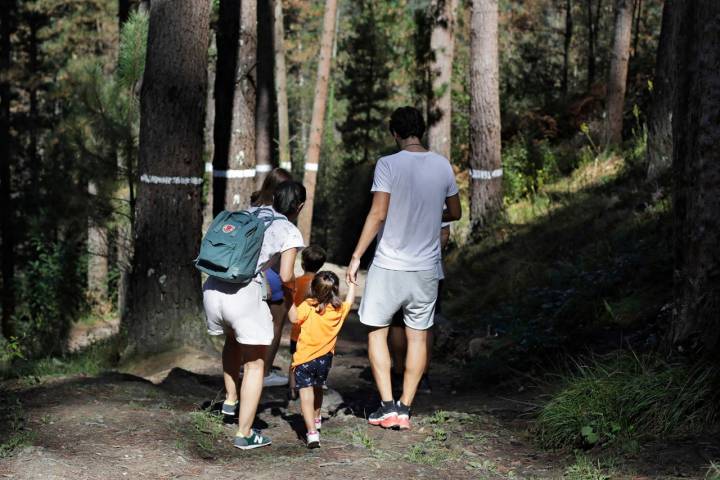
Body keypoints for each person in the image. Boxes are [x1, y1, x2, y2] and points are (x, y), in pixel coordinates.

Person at [346, 106, 461, 431]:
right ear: (421, 131)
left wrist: (356, 256)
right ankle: (406, 408)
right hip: (426, 269)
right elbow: (455, 211)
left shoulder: (388, 164)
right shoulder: (442, 165)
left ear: (394, 133)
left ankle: (386, 406)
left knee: (376, 333)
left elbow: (377, 213)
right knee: (418, 338)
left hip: (388, 265)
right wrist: (429, 216)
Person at [203, 181, 306, 450]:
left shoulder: (250, 212)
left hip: (213, 288)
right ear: (300, 207)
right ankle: (245, 433)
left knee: (232, 342)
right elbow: (285, 275)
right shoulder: (289, 230)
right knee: (255, 365)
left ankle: (230, 400)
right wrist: (294, 291)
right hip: (243, 295)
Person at [289, 271, 356, 448]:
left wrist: (289, 298)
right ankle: (317, 419)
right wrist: (353, 285)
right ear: (335, 290)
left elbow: (293, 318)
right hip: (324, 361)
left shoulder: (308, 306)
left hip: (304, 359)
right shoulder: (338, 309)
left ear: (313, 288)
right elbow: (350, 302)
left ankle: (312, 433)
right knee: (318, 388)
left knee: (306, 394)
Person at [389, 223, 450, 395]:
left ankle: (399, 374)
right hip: (430, 268)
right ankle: (422, 377)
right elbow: (445, 232)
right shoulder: (437, 195)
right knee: (425, 323)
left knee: (397, 322)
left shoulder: (396, 195)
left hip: (397, 265)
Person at [252, 168, 295, 387]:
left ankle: (248, 366)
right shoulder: (283, 214)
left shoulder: (253, 208)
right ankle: (265, 371)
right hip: (274, 272)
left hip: (250, 272)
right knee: (276, 324)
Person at [288, 245, 327, 399]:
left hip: (297, 331)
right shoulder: (323, 284)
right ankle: (312, 386)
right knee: (315, 358)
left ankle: (292, 389)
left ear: (303, 264)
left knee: (294, 360)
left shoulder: (296, 282)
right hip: (317, 333)